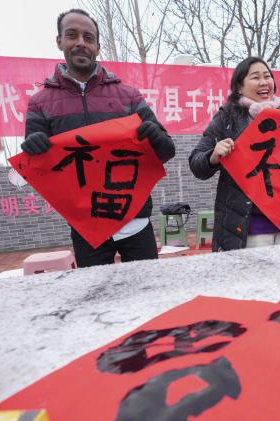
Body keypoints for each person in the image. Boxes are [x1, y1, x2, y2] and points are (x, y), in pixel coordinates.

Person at [21, 9, 175, 267]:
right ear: (59, 41)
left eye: (88, 37)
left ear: (97, 46)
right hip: (86, 226)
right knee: (97, 290)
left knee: (149, 288)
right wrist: (33, 147)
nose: (81, 42)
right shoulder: (40, 103)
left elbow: (167, 151)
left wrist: (155, 136)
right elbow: (36, 169)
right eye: (72, 35)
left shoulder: (128, 96)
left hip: (135, 220)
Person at [189, 56, 280, 252]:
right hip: (248, 229)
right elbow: (196, 163)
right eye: (255, 77)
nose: (264, 82)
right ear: (239, 87)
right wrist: (213, 156)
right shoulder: (227, 118)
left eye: (267, 76)